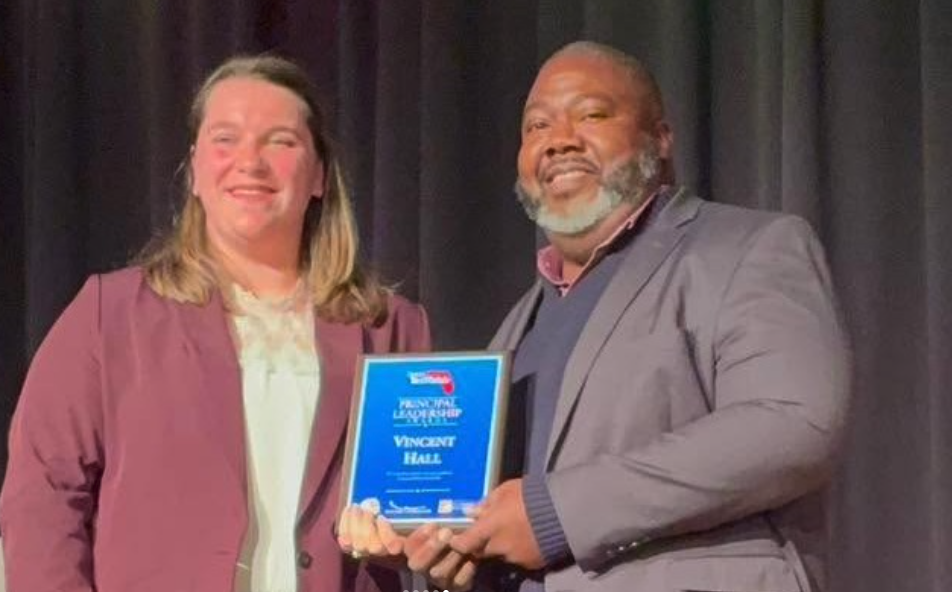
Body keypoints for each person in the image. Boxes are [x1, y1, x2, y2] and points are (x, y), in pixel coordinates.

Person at [338, 40, 850, 592]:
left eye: (592, 115)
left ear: (659, 136)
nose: (558, 141)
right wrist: (434, 552)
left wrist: (555, 511)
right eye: (536, 127)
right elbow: (501, 529)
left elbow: (792, 423)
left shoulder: (748, 248)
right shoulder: (518, 326)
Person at [0, 55, 429, 592]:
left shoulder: (392, 330)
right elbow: (42, 494)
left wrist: (407, 545)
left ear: (319, 175)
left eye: (280, 141)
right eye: (226, 139)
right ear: (195, 171)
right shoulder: (109, 316)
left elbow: (424, 527)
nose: (250, 162)